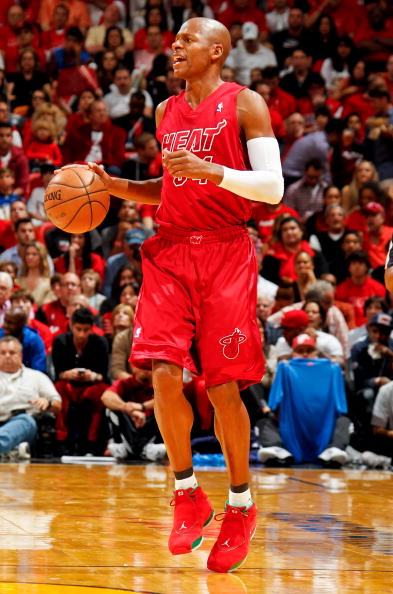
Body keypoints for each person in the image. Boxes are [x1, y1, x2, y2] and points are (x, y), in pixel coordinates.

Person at [59, 16, 284, 573]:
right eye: (175, 39)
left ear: (217, 50)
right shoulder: (166, 112)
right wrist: (114, 185)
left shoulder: (245, 104)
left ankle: (240, 504)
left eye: (187, 40)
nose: (175, 46)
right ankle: (186, 492)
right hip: (171, 248)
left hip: (228, 250)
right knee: (161, 371)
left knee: (226, 385)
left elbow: (273, 190)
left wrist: (211, 169)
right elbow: (170, 186)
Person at [257, 332, 349, 467]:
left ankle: (333, 449)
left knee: (344, 421)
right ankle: (276, 447)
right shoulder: (284, 368)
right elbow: (273, 404)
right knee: (263, 421)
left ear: (316, 353)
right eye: (300, 351)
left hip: (323, 426)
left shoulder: (333, 368)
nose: (305, 355)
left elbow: (342, 407)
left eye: (309, 350)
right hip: (292, 427)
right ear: (292, 353)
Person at [52, 307, 109, 455]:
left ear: (92, 328)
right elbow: (58, 373)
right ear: (71, 325)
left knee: (101, 391)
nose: (82, 334)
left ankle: (92, 442)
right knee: (58, 389)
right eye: (78, 329)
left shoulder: (100, 342)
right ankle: (61, 439)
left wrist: (93, 376)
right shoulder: (60, 341)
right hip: (69, 385)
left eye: (86, 330)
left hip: (92, 385)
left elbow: (103, 374)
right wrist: (68, 374)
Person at [0, 336, 61, 460]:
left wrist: (47, 403)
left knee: (25, 421)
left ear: (20, 355)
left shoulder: (36, 377)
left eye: (12, 353)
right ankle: (9, 451)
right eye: (2, 353)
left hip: (21, 424)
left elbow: (58, 404)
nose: (7, 356)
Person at [101, 369, 166, 462]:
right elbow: (106, 397)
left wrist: (142, 406)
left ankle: (134, 448)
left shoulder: (162, 383)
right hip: (129, 425)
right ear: (134, 367)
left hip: (150, 427)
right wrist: (128, 409)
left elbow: (169, 400)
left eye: (148, 367)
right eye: (142, 367)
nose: (146, 371)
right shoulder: (124, 383)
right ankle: (142, 449)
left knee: (168, 410)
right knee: (112, 409)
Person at [0, 307, 47, 373]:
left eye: (10, 323)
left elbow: (39, 370)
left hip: (27, 379)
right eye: (5, 321)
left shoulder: (34, 340)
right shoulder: (0, 334)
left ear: (21, 324)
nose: (5, 325)